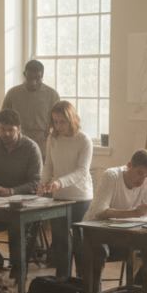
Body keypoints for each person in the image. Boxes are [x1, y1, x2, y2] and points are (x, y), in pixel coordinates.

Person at [82, 150, 147, 293]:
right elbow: (99, 211)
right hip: (94, 233)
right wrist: (132, 213)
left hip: (124, 235)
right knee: (99, 250)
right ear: (129, 166)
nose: (143, 179)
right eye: (140, 173)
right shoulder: (111, 176)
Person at [0, 109, 43, 269]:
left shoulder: (31, 148)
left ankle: (17, 272)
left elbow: (34, 183)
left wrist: (10, 191)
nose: (6, 134)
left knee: (15, 228)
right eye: (2, 129)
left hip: (25, 208)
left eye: (10, 130)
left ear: (19, 129)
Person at [40, 101, 93, 275]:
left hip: (81, 198)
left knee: (80, 245)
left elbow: (82, 171)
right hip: (59, 197)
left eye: (62, 121)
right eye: (55, 121)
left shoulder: (83, 140)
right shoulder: (52, 138)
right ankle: (63, 284)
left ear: (71, 119)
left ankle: (82, 285)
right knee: (61, 244)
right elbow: (48, 164)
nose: (58, 126)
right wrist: (43, 184)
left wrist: (59, 182)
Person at [1, 60, 60, 158]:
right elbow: (2, 119)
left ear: (42, 75)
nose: (33, 82)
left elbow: (59, 123)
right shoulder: (13, 94)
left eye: (37, 78)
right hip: (18, 144)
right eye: (30, 78)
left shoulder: (52, 95)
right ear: (24, 74)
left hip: (44, 145)